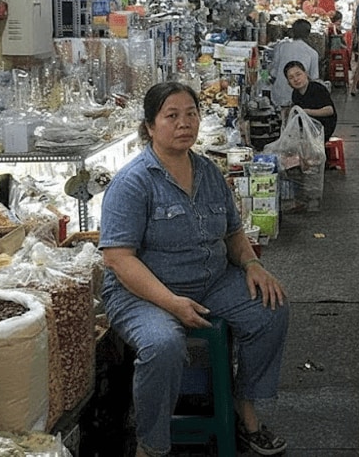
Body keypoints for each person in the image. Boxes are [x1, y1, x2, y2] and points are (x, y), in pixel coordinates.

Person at [100, 82, 289, 457]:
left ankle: (244, 406)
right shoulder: (133, 182)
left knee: (271, 309)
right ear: (151, 126)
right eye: (171, 116)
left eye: (191, 113)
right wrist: (171, 303)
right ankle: (150, 445)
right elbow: (118, 259)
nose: (184, 123)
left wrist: (251, 263)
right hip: (144, 293)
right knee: (163, 345)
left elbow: (233, 231)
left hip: (211, 281)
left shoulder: (208, 172)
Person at [269, 19, 319, 108]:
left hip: (279, 96)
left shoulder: (281, 47)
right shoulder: (312, 53)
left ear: (292, 32)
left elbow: (273, 73)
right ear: (308, 34)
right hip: (301, 99)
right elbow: (314, 79)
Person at [285, 60, 337, 141]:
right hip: (307, 127)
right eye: (291, 78)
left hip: (323, 127)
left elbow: (329, 110)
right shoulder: (295, 94)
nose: (296, 79)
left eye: (298, 74)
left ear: (306, 74)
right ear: (288, 83)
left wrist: (306, 111)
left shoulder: (317, 88)